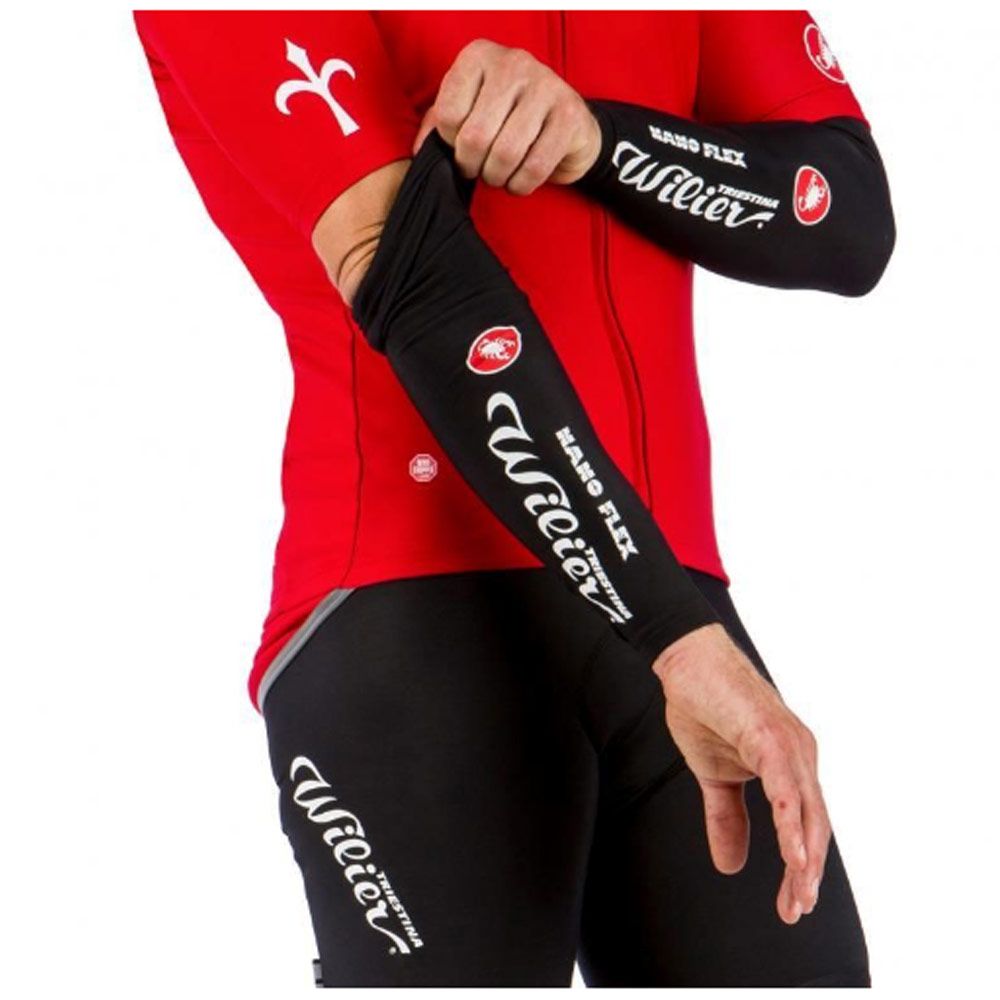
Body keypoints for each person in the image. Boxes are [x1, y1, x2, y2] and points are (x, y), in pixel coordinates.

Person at [133, 10, 893, 987]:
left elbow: (846, 217)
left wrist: (600, 140)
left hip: (667, 606)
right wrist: (673, 635)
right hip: (414, 615)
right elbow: (417, 280)